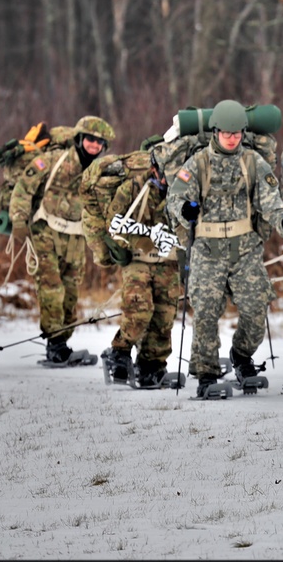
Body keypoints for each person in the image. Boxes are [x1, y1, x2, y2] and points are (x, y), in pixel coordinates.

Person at [166, 99, 283, 397]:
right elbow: (175, 198)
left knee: (255, 307)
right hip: (207, 249)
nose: (232, 138)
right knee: (206, 312)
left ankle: (241, 355)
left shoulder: (252, 161)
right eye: (226, 133)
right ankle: (207, 374)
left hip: (245, 248)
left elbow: (270, 199)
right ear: (215, 132)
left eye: (237, 133)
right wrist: (185, 209)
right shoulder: (198, 162)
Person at [10, 115, 115, 365]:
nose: (94, 145)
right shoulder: (53, 161)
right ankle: (55, 344)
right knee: (51, 289)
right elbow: (24, 187)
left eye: (99, 142)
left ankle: (62, 342)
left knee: (70, 293)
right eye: (90, 139)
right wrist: (18, 220)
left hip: (76, 237)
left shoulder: (98, 172)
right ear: (79, 139)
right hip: (45, 230)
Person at [100, 149, 182, 388]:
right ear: (154, 169)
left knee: (165, 315)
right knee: (140, 308)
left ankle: (151, 366)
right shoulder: (133, 189)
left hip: (167, 261)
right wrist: (144, 238)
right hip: (137, 258)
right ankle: (119, 352)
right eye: (166, 173)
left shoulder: (184, 190)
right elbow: (113, 224)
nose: (170, 179)